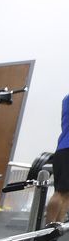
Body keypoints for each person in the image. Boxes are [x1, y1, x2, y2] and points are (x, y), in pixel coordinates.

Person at [46, 92, 69, 225]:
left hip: (64, 150)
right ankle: (48, 229)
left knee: (67, 193)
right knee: (61, 192)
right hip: (67, 150)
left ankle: (58, 226)